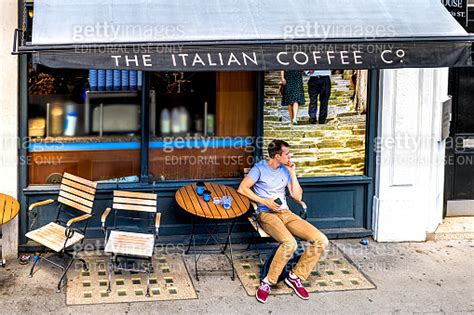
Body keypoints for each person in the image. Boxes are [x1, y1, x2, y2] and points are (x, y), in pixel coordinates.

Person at [238, 139, 328, 304]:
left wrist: (292, 173)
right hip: (267, 214)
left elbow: (297, 196)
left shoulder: (285, 170)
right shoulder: (259, 169)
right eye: (287, 153)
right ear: (277, 156)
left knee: (321, 240)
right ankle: (268, 282)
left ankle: (295, 277)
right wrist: (263, 201)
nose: (290, 156)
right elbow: (242, 189)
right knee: (290, 243)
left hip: (286, 213)